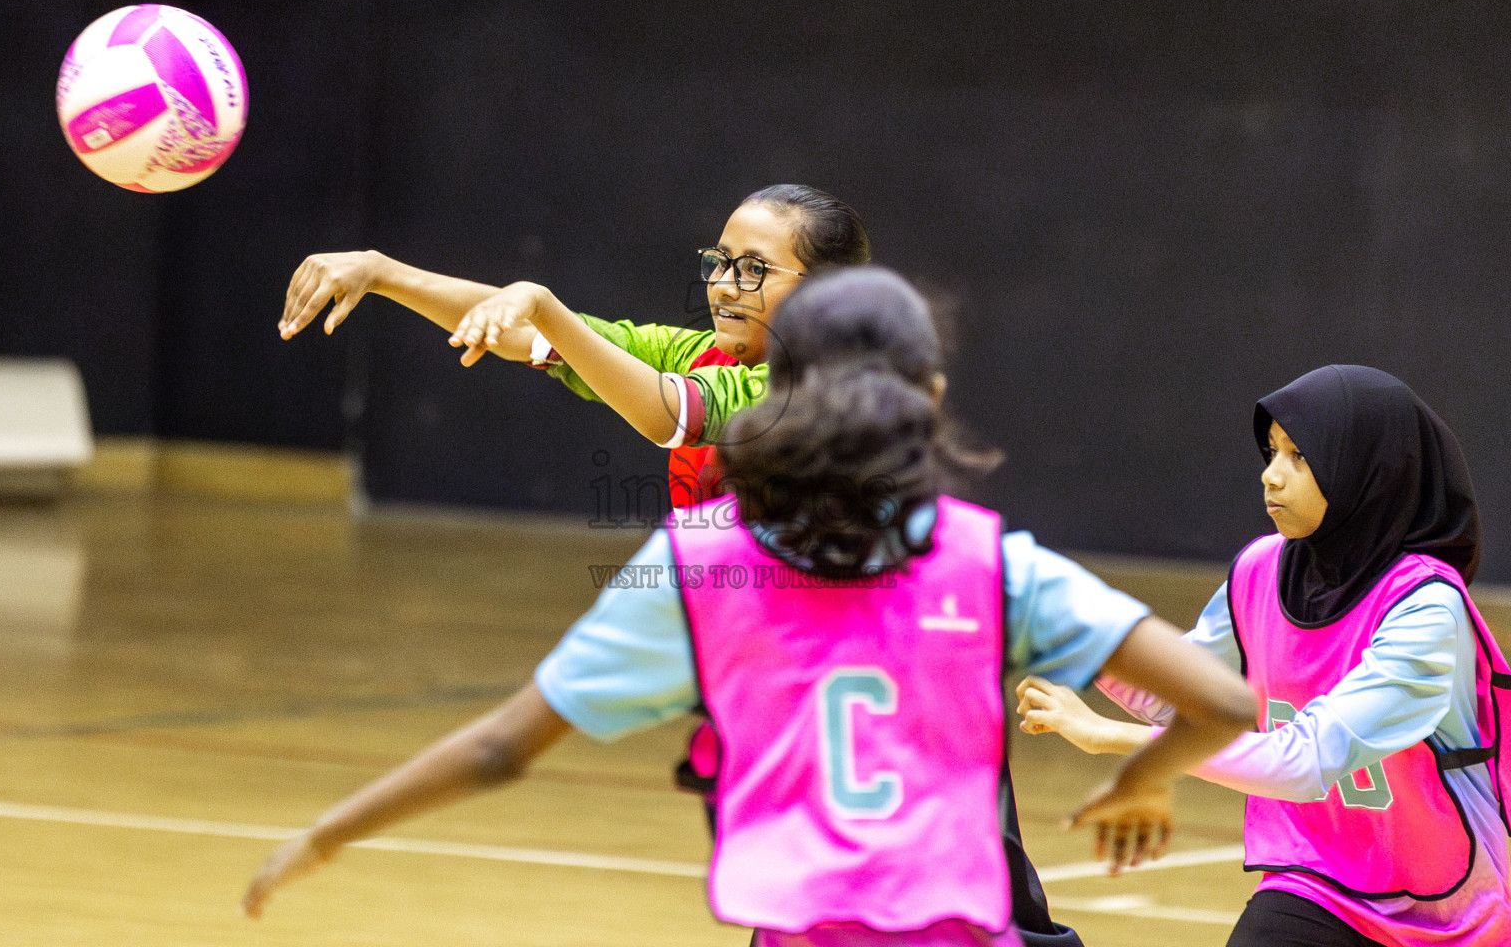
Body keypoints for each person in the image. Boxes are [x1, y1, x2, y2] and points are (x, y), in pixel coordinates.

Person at [243, 267, 1255, 946]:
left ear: (777, 390)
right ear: (933, 395)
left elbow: (500, 747)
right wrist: (1142, 779)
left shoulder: (702, 570)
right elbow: (1222, 703)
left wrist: (329, 831)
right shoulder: (990, 563)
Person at [1016, 365, 1511, 947]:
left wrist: (1116, 740)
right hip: (1320, 879)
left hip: (1451, 913)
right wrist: (1072, 630)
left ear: (1365, 473)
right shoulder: (1261, 568)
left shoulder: (1426, 606)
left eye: (1299, 457)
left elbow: (1305, 761)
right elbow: (1179, 698)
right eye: (1272, 452)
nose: (1271, 476)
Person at [277, 183, 871, 507]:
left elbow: (667, 414)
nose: (722, 285)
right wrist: (383, 272)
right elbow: (531, 333)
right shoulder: (698, 357)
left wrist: (542, 304)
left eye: (754, 269)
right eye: (720, 261)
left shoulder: (819, 392)